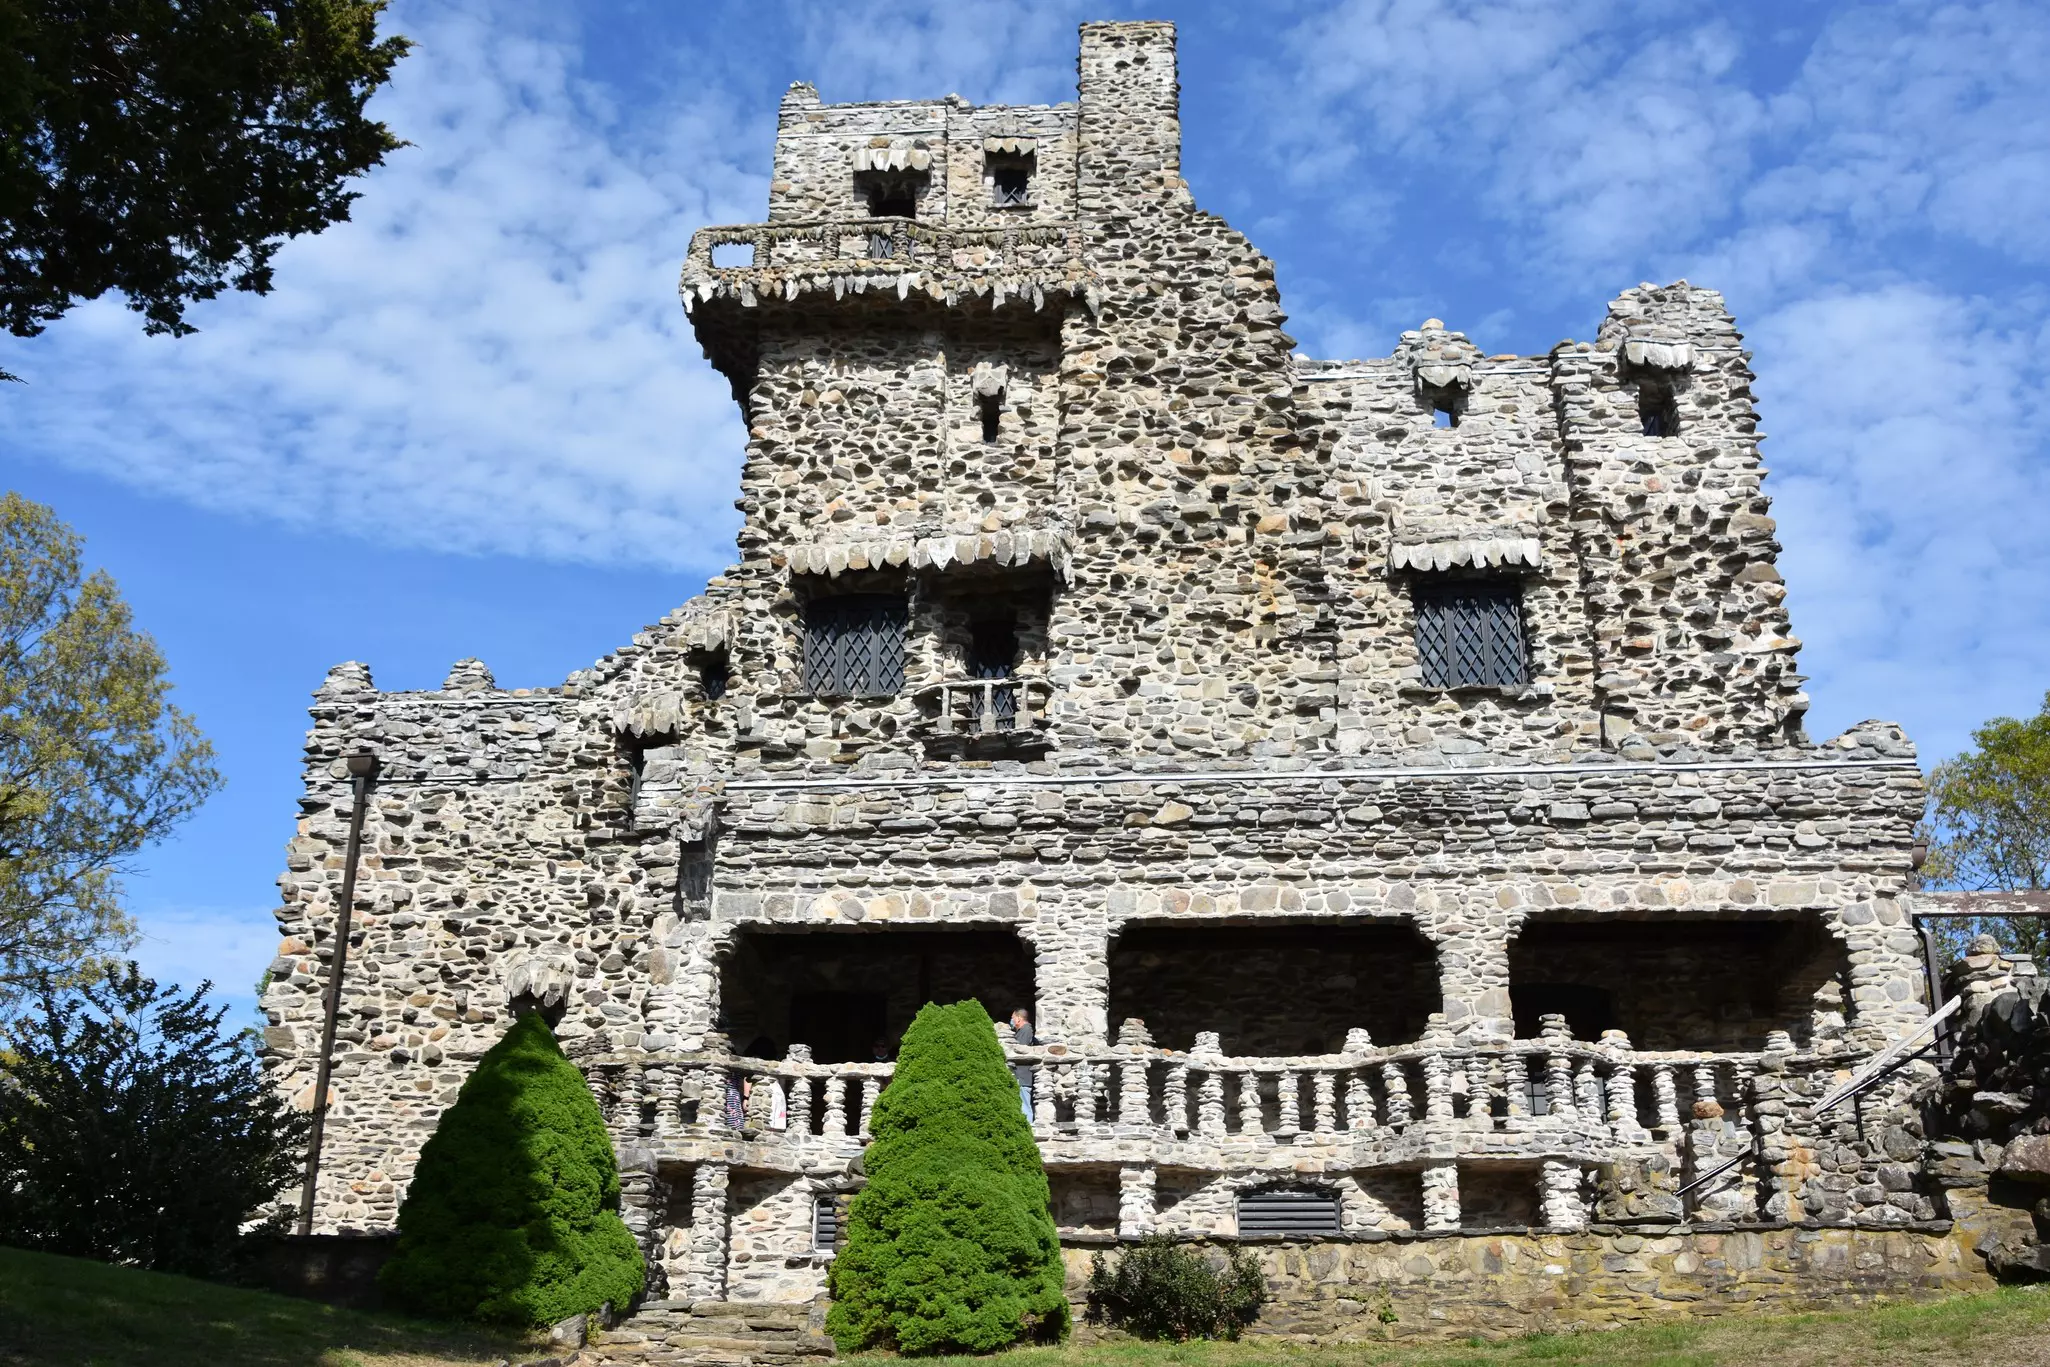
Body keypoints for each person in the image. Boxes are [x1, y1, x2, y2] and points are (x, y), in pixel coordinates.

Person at [1009, 1007, 1036, 1120]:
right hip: (1021, 1075)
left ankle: (1028, 1129)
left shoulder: (1026, 1030)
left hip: (1023, 1075)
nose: (1011, 1021)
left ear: (1019, 1018)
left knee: (1024, 1105)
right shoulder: (1022, 1031)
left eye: (1013, 1018)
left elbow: (1021, 1050)